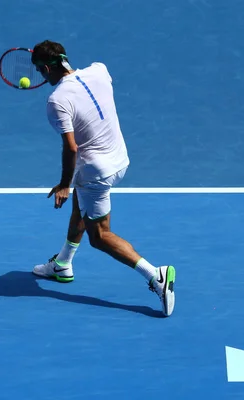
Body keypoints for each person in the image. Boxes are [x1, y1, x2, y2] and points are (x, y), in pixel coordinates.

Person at [30, 40, 176, 317]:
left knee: (100, 236)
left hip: (97, 171)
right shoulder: (99, 70)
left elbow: (71, 148)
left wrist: (64, 184)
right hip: (120, 159)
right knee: (81, 202)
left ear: (48, 68)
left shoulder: (57, 101)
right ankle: (63, 263)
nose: (40, 76)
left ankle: (155, 274)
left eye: (40, 71)